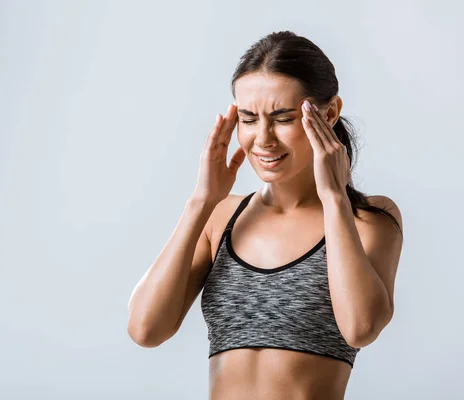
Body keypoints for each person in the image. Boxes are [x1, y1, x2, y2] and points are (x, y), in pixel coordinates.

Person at [127, 30, 404, 400]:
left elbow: (361, 328)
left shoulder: (367, 219)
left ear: (330, 112)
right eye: (248, 118)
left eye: (282, 118)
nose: (263, 138)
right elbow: (146, 329)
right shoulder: (222, 216)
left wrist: (334, 197)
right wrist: (202, 200)